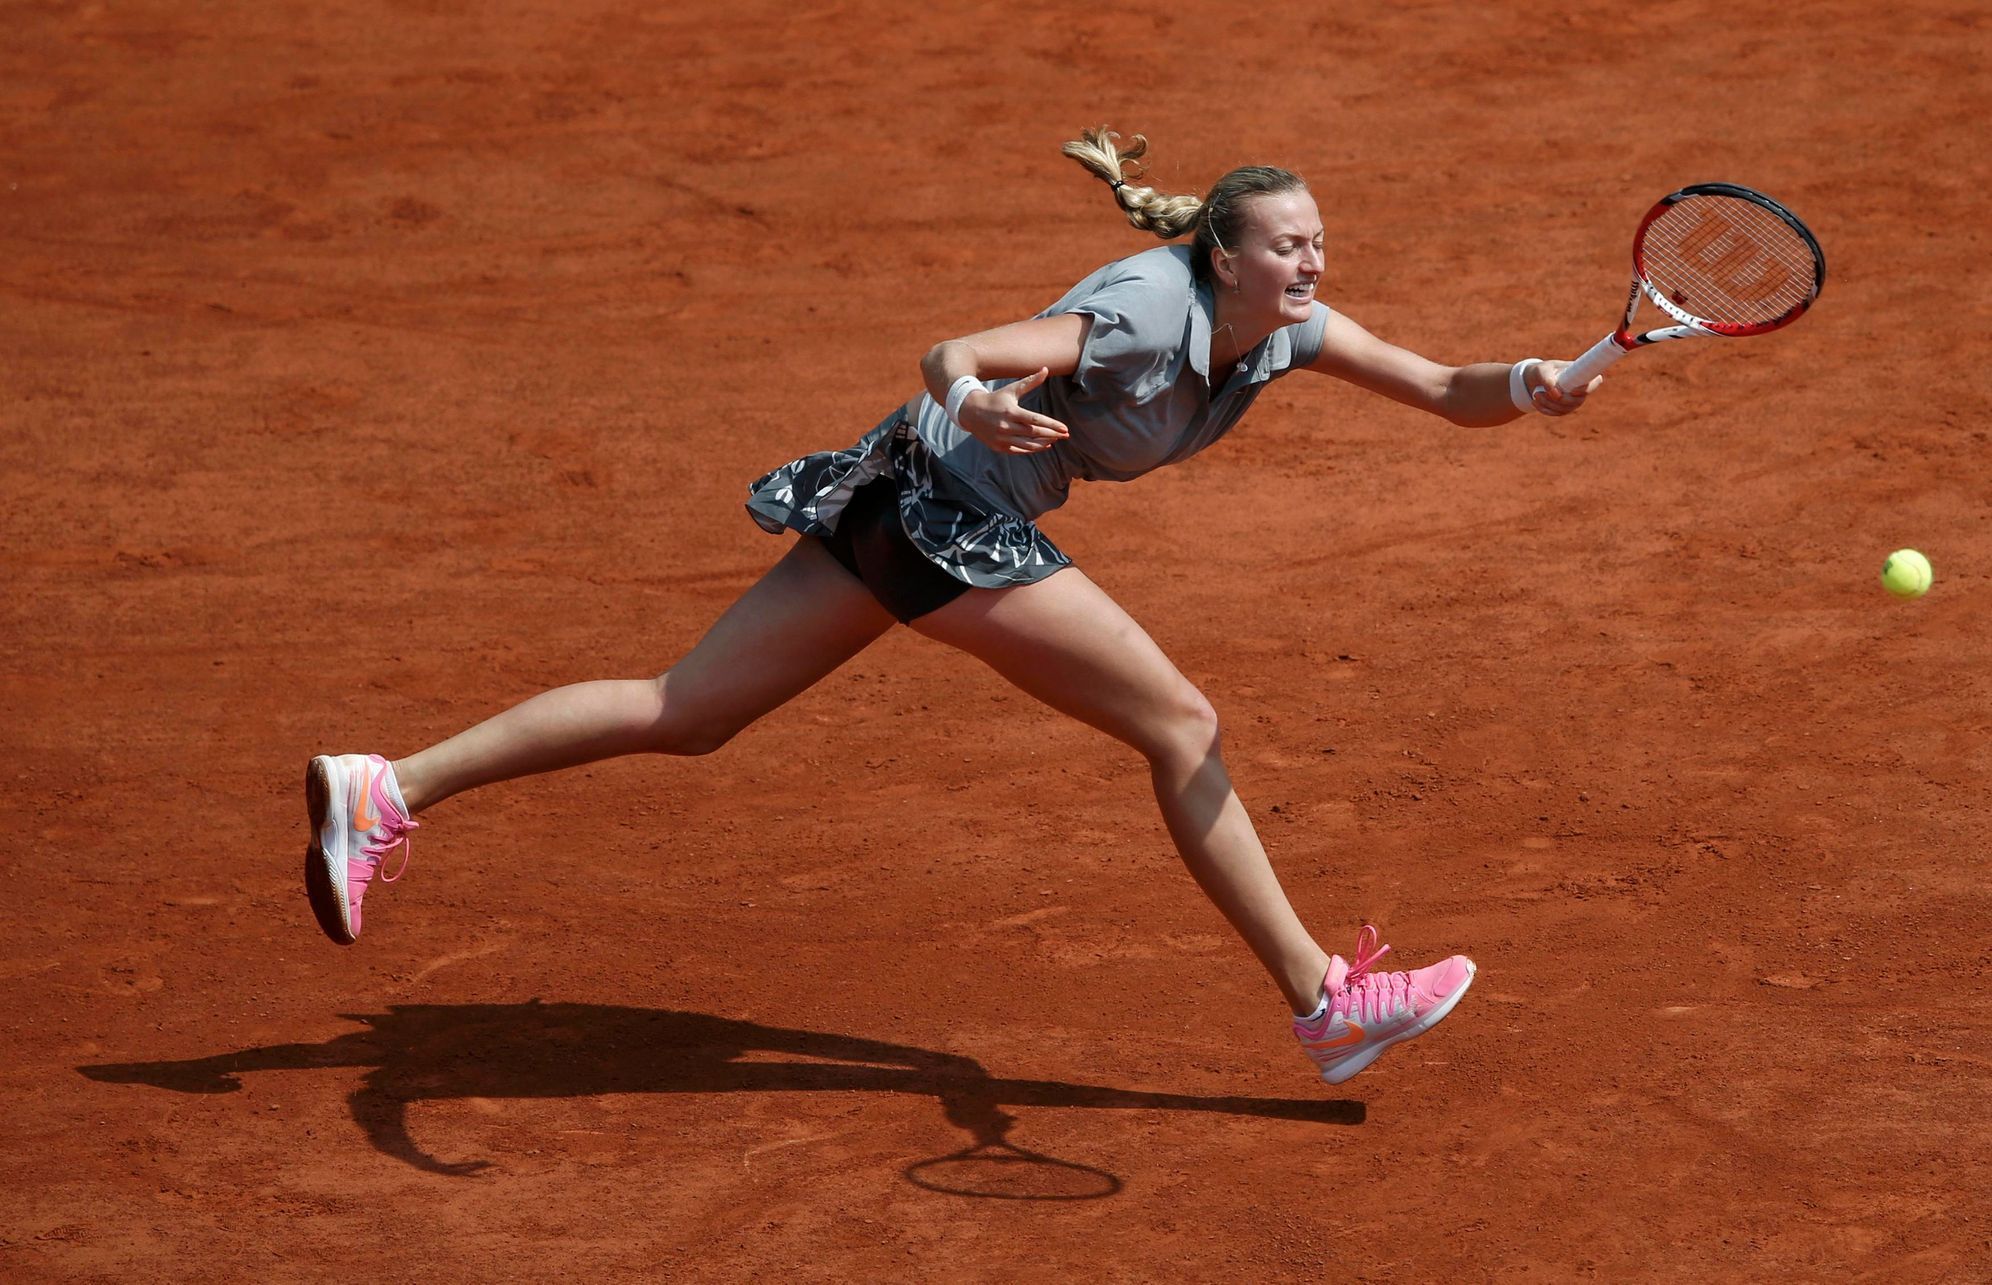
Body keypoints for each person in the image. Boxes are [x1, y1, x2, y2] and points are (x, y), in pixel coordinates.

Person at [304, 127, 1594, 1087]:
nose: (1314, 259)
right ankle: (1326, 1005)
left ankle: (390, 786)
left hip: (904, 507)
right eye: (1289, 242)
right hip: (946, 515)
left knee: (682, 710)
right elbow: (957, 353)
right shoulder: (1148, 310)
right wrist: (974, 400)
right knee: (1183, 728)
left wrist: (1540, 381)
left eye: (1318, 239)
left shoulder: (1288, 329)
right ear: (1225, 253)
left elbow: (1441, 388)